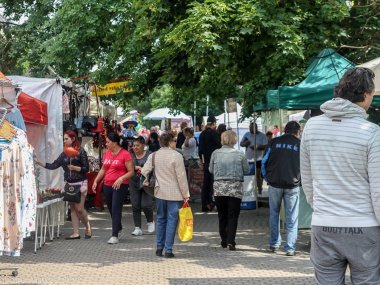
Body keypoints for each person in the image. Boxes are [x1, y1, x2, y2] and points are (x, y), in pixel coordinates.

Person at [300, 67, 380, 284]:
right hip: (364, 226)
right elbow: (378, 189)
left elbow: (306, 178)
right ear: (365, 95)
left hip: (324, 224)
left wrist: (323, 208)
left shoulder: (311, 127)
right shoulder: (371, 132)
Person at [36, 130, 92, 240]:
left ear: (73, 139)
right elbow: (53, 165)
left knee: (80, 208)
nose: (64, 141)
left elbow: (86, 168)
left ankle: (87, 226)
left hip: (80, 183)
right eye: (64, 139)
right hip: (69, 184)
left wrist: (76, 168)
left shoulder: (81, 151)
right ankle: (76, 233)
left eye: (66, 139)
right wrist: (38, 161)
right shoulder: (64, 154)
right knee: (73, 208)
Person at [142, 132, 190, 258]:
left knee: (161, 219)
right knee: (172, 221)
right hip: (174, 194)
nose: (176, 142)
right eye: (174, 140)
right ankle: (168, 250)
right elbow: (181, 177)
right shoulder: (177, 156)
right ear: (169, 142)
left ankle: (159, 248)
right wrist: (186, 194)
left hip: (159, 192)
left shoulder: (154, 155)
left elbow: (144, 170)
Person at [261, 121, 301, 256]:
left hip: (274, 183)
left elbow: (264, 162)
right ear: (298, 132)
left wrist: (266, 178)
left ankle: (274, 244)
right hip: (293, 184)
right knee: (292, 217)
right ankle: (290, 248)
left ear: (285, 130)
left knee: (274, 214)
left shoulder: (273, 142)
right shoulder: (300, 144)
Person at [209, 130, 250, 250]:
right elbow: (247, 169)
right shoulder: (239, 154)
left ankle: (223, 239)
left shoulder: (215, 153)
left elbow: (211, 170)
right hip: (235, 189)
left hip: (219, 189)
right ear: (234, 140)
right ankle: (231, 241)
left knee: (222, 215)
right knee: (233, 215)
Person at [92, 132, 134, 244]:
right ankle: (118, 226)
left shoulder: (125, 154)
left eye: (108, 142)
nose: (106, 144)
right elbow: (103, 169)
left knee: (116, 208)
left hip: (120, 185)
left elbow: (131, 172)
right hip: (107, 184)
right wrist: (96, 180)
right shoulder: (107, 153)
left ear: (115, 143)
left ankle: (114, 235)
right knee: (110, 208)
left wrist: (121, 179)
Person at [129, 136, 155, 236]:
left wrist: (143, 169)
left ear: (143, 145)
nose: (135, 147)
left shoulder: (150, 154)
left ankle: (150, 221)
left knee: (146, 205)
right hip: (134, 182)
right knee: (135, 205)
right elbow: (125, 166)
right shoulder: (130, 155)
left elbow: (153, 168)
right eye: (134, 145)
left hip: (146, 183)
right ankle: (137, 227)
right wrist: (134, 167)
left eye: (137, 145)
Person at [198, 115, 222, 212]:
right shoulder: (214, 134)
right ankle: (215, 203)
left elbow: (200, 150)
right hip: (215, 162)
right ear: (214, 124)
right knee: (215, 183)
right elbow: (220, 146)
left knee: (206, 184)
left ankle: (205, 205)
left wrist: (202, 161)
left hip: (206, 162)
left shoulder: (202, 134)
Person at [240, 123, 268, 194]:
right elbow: (241, 144)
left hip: (259, 159)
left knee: (258, 175)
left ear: (256, 128)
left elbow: (266, 146)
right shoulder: (247, 134)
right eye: (249, 128)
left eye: (251, 128)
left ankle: (260, 190)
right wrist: (246, 143)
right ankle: (250, 191)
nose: (250, 129)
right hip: (248, 159)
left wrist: (257, 147)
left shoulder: (262, 136)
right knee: (249, 176)